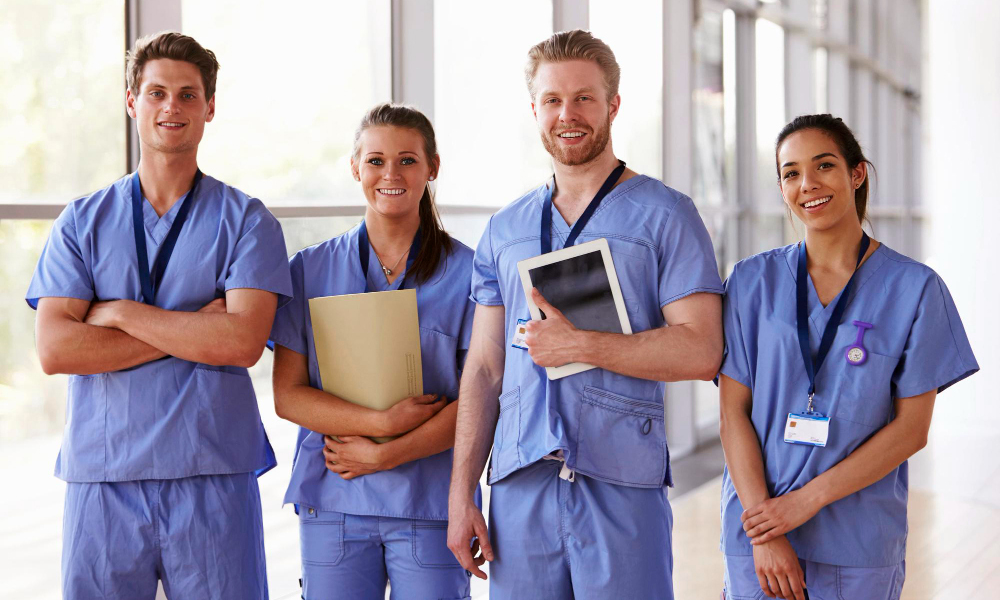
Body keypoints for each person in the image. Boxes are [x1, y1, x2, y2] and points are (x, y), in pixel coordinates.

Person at [446, 30, 725, 599]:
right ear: (534, 109)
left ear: (613, 105)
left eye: (584, 98)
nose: (567, 115)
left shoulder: (667, 216)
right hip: (521, 485)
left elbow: (702, 349)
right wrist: (461, 492)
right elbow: (483, 369)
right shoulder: (506, 229)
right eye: (552, 100)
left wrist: (582, 346)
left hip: (622, 478)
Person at [26, 32, 292, 599]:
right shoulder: (81, 222)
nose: (172, 107)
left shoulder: (247, 222)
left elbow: (243, 342)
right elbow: (56, 350)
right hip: (104, 477)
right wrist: (197, 328)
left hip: (211, 474)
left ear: (210, 108)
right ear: (132, 102)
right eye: (156, 93)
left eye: (188, 95)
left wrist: (119, 312)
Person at [717, 114, 979, 600]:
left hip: (856, 540)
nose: (807, 184)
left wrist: (802, 504)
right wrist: (768, 530)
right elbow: (733, 413)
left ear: (856, 174)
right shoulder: (751, 283)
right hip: (758, 536)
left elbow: (911, 431)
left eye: (824, 166)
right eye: (791, 173)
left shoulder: (915, 289)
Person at [269, 103, 477, 600]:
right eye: (376, 160)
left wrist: (389, 454)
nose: (391, 174)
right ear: (355, 167)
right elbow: (288, 396)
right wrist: (381, 425)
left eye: (408, 160)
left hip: (428, 503)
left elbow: (477, 401)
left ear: (433, 168)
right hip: (335, 502)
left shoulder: (470, 273)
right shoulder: (309, 270)